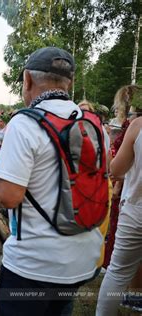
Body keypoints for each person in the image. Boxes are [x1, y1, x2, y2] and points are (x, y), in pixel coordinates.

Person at [0, 47, 108, 315]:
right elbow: (105, 171)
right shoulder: (95, 124)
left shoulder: (24, 123)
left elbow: (8, 197)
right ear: (71, 83)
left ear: (27, 81)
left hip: (35, 265)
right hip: (82, 257)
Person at [96, 116, 142, 315]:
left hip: (136, 209)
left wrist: (131, 172)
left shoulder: (138, 125)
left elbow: (115, 168)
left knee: (118, 272)